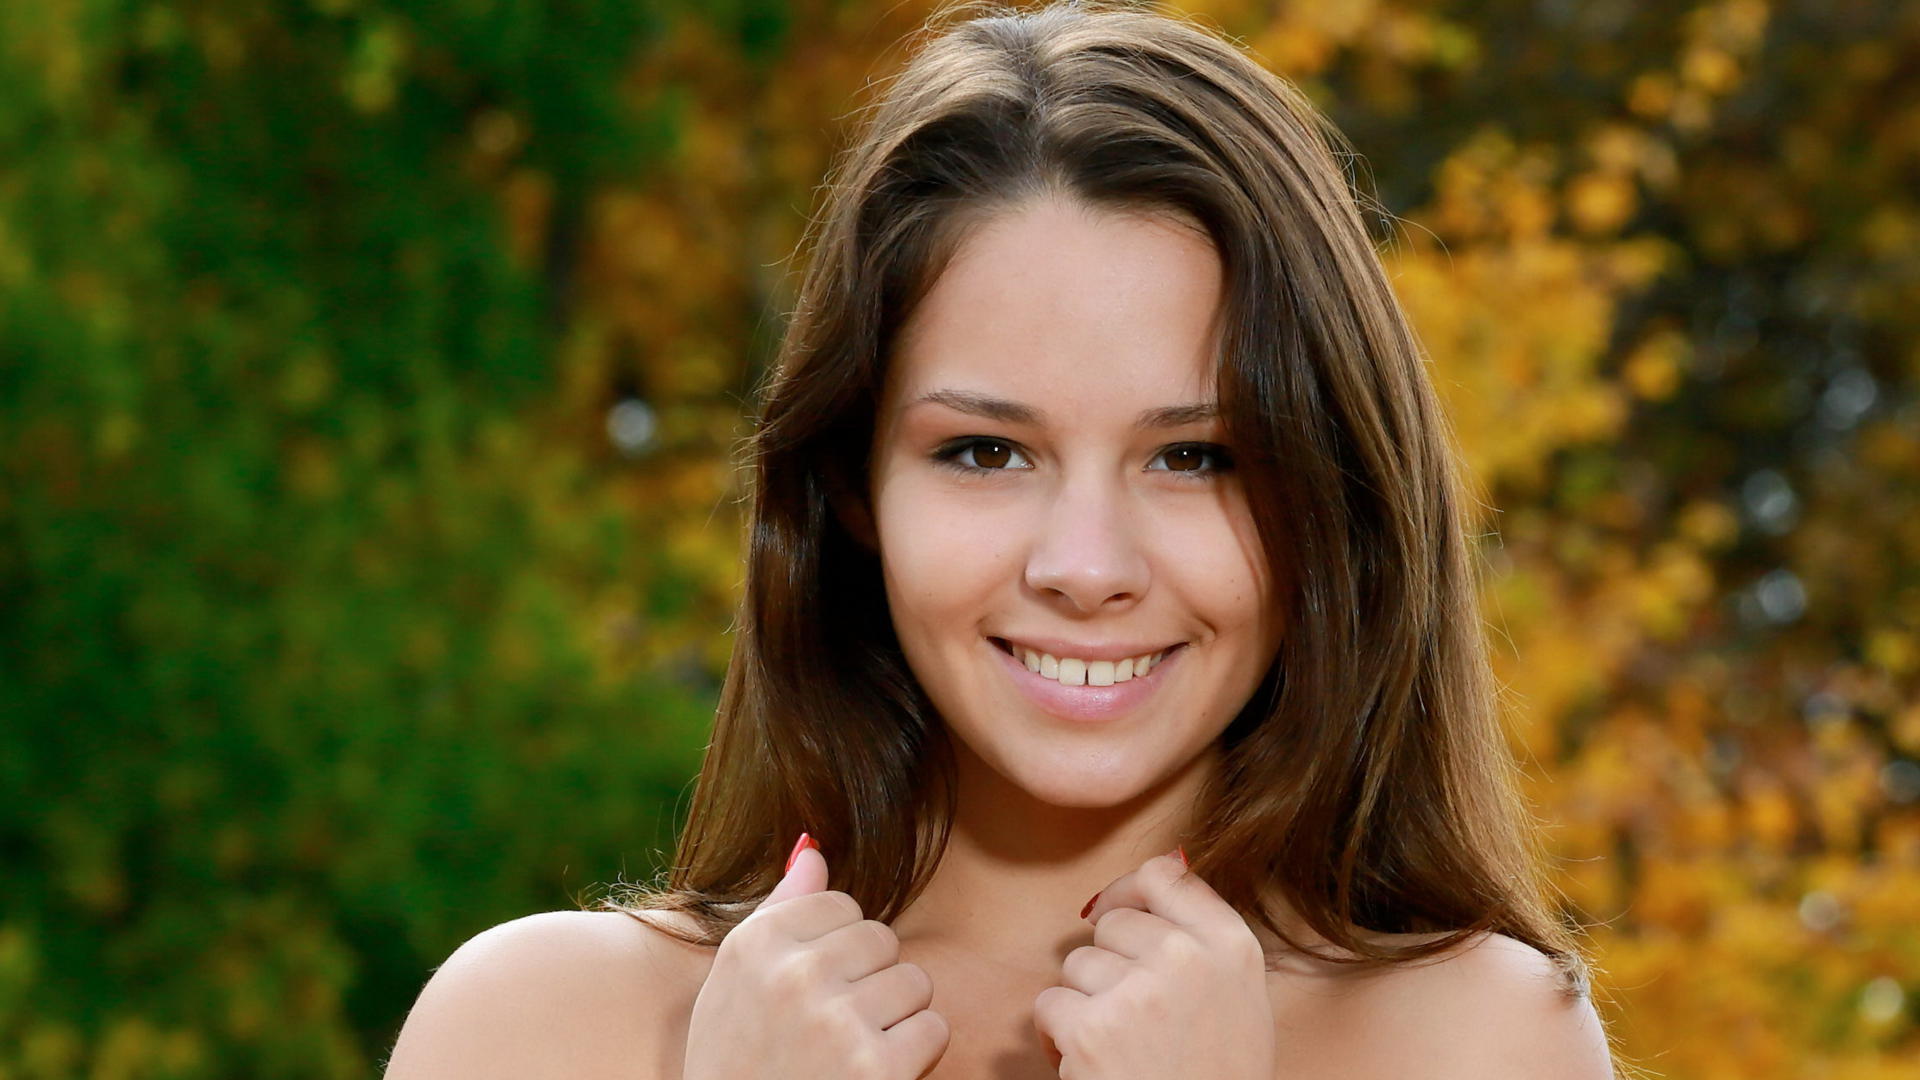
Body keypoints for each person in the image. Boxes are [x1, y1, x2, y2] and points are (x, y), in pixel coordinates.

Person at [385, 2, 1627, 1077]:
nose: (1085, 568)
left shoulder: (1477, 1038)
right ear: (852, 488)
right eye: (986, 452)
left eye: (1195, 457)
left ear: (1329, 499)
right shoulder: (535, 1027)